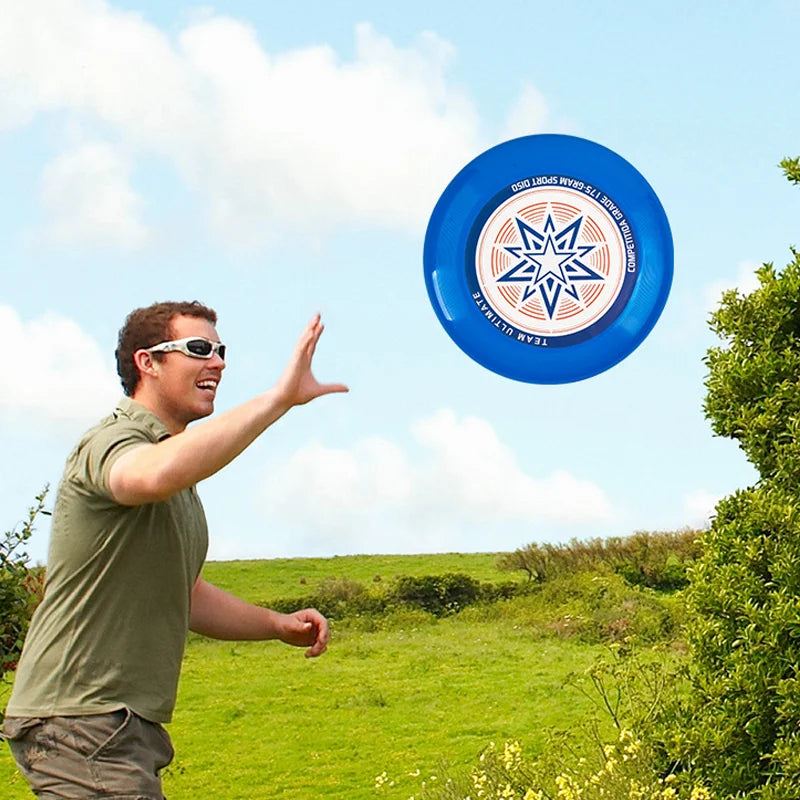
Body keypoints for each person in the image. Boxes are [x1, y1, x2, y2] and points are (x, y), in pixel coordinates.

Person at [2, 300, 348, 799]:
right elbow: (151, 473)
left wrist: (276, 624)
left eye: (221, 350)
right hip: (82, 720)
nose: (219, 362)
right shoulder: (113, 442)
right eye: (199, 349)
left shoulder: (177, 480)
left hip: (114, 726)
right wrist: (278, 399)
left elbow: (182, 593)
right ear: (148, 362)